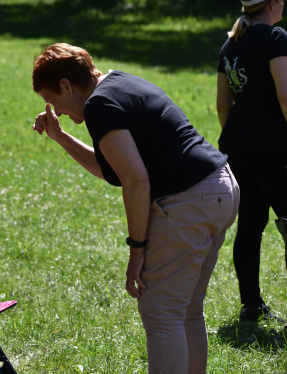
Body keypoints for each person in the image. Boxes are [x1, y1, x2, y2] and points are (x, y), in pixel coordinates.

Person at [31, 43, 239, 374]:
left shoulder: (99, 105)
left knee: (161, 312)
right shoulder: (120, 83)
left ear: (66, 86)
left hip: (189, 199)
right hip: (218, 188)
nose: (59, 112)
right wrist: (60, 136)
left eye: (53, 100)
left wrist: (136, 250)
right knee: (184, 311)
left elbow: (136, 181)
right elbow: (113, 168)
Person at [216, 0, 287, 323]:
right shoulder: (275, 37)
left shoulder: (231, 44)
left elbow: (222, 104)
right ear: (272, 3)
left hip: (237, 147)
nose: (284, 3)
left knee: (250, 226)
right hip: (275, 148)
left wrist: (240, 143)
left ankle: (251, 306)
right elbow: (285, 95)